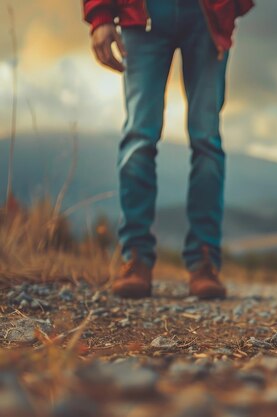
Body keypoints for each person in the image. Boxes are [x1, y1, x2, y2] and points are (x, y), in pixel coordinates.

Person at [82, 0, 254, 299]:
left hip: (208, 13)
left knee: (206, 141)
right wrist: (100, 15)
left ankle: (204, 261)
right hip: (143, 11)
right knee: (139, 137)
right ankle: (136, 258)